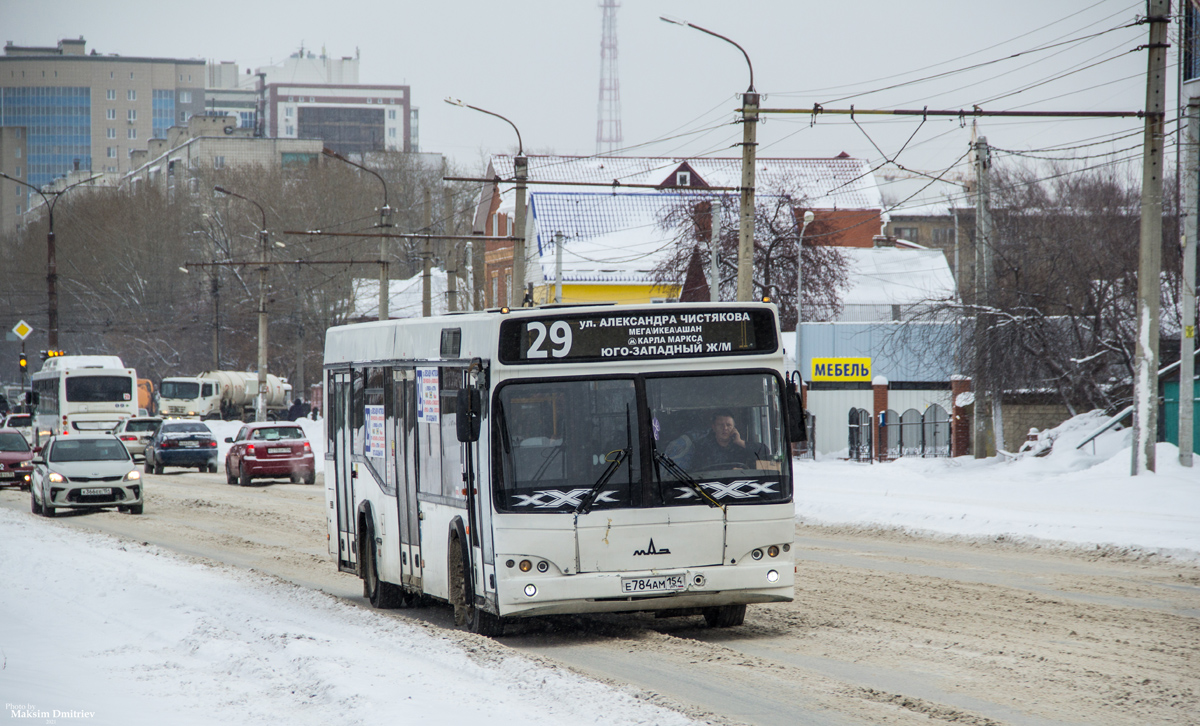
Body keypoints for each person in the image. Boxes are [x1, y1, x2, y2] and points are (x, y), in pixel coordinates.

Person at [689, 410, 766, 470]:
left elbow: (765, 452)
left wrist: (740, 442)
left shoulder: (740, 446)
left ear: (734, 428)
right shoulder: (702, 447)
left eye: (728, 425)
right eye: (720, 425)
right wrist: (730, 470)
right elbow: (699, 471)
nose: (725, 428)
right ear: (713, 427)